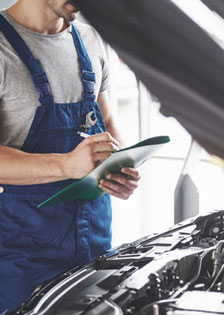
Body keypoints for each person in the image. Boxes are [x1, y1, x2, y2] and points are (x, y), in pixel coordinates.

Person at [0, 0, 141, 312]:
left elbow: (109, 122)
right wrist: (66, 165)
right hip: (22, 257)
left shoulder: (91, 39)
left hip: (95, 247)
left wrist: (123, 166)